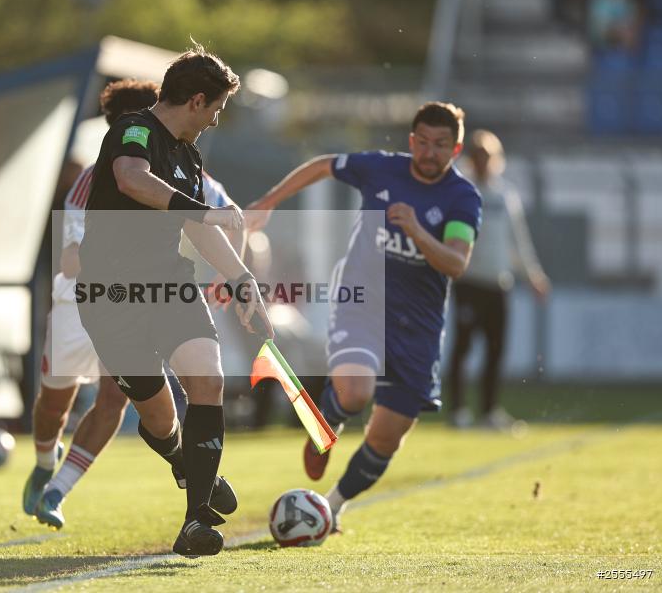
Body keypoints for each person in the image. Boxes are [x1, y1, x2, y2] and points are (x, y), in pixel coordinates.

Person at [246, 102, 481, 530]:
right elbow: (322, 165)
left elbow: (456, 263)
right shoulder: (379, 168)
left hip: (419, 328)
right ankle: (325, 428)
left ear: (456, 148)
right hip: (362, 303)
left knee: (385, 436)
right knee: (355, 393)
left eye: (441, 146)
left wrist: (416, 230)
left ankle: (331, 506)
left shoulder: (463, 199)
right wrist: (269, 201)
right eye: (423, 143)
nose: (429, 153)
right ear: (412, 141)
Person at [77, 44, 273, 557]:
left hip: (169, 284)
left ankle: (195, 523)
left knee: (207, 379)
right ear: (197, 100)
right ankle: (183, 460)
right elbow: (131, 180)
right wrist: (202, 212)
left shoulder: (189, 155)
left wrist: (242, 280)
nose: (214, 122)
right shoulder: (133, 130)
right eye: (215, 110)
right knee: (160, 419)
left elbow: (199, 226)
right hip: (110, 294)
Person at [22, 79, 160, 528]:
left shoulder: (170, 170)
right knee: (53, 407)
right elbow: (70, 259)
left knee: (113, 399)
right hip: (77, 307)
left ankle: (57, 493)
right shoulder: (93, 180)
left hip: (130, 308)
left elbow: (218, 211)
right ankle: (45, 461)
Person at [447, 130, 550, 430]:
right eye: (477, 156)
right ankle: (458, 411)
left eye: (487, 157)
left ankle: (489, 411)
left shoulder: (505, 196)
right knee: (463, 348)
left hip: (498, 283)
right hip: (468, 282)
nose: (482, 162)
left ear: (496, 160)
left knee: (495, 350)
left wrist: (533, 276)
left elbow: (518, 241)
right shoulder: (461, 192)